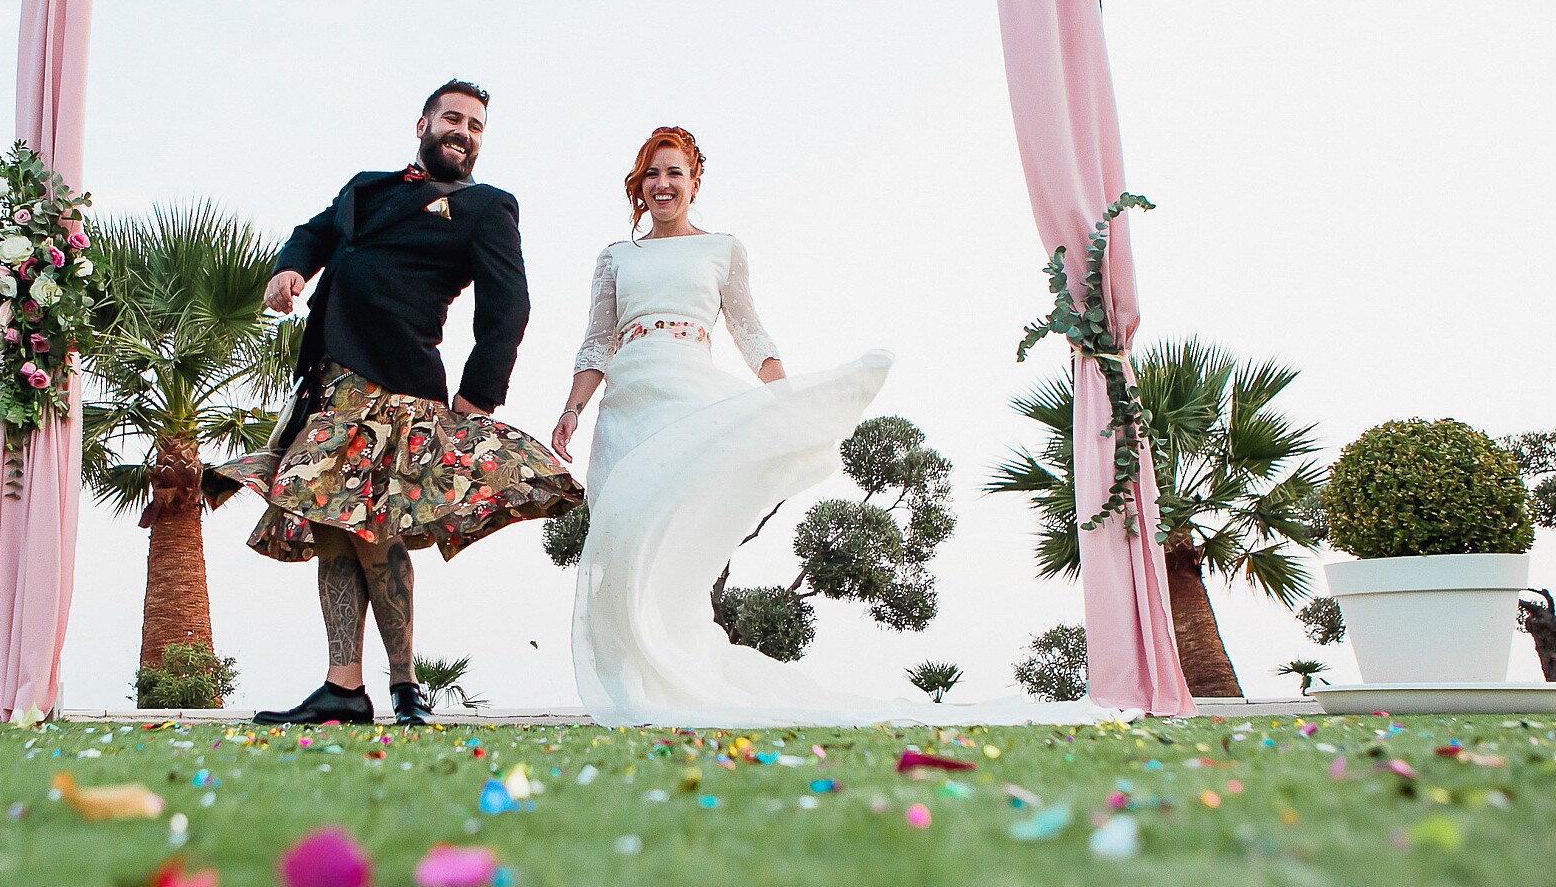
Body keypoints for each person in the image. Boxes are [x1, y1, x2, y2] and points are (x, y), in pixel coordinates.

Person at [556, 127, 1102, 727]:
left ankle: (676, 674)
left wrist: (786, 397)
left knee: (674, 542)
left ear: (693, 181)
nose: (663, 185)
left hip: (687, 399)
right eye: (652, 174)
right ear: (640, 184)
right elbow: (598, 343)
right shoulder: (616, 258)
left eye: (674, 173)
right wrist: (573, 410)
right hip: (627, 405)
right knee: (619, 540)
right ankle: (632, 680)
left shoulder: (722, 250)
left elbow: (749, 332)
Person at [205, 81, 583, 726]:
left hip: (396, 386)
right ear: (423, 124)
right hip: (324, 385)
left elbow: (508, 307)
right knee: (331, 528)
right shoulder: (366, 188)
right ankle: (344, 687)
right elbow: (314, 233)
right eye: (453, 119)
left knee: (372, 530)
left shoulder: (487, 208)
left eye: (476, 126)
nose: (464, 132)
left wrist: (479, 393)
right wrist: (290, 268)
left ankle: (404, 685)